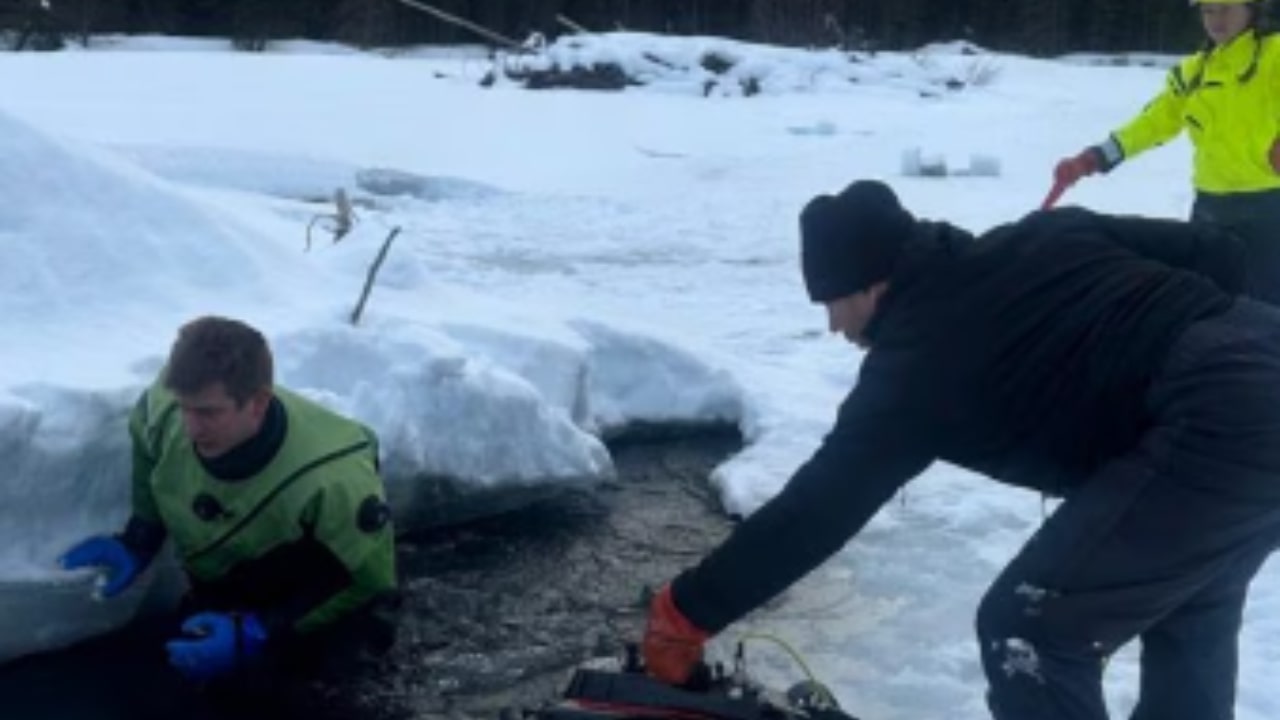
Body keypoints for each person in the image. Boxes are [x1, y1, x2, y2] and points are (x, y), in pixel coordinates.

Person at [641, 180, 1280, 720]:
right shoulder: (1046, 234)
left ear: (870, 284)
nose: (835, 327)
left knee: (1029, 629)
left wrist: (685, 612)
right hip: (1258, 365)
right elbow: (1219, 252)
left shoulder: (915, 366)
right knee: (1189, 610)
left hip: (1219, 418)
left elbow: (816, 512)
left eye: (833, 304)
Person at [56, 315, 398, 716]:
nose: (191, 427)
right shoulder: (168, 407)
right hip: (230, 581)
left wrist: (260, 629)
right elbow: (146, 445)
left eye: (207, 413)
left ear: (257, 403)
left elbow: (371, 582)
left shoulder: (332, 478)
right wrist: (140, 537)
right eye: (185, 408)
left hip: (318, 595)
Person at [1052, 0, 1280, 304]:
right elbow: (1152, 124)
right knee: (1206, 304)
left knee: (1265, 310)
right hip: (1210, 207)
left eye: (1225, 8)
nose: (1215, 19)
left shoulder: (1274, 56)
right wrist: (1094, 157)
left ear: (1251, 9)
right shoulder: (1193, 72)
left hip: (1267, 208)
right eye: (1207, 11)